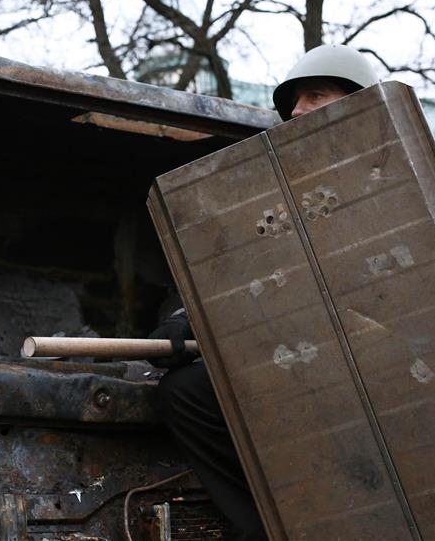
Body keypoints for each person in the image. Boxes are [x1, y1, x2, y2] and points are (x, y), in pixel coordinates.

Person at [149, 44, 379, 540]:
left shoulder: (397, 175)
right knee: (186, 393)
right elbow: (240, 268)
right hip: (297, 353)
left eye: (314, 96)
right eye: (295, 100)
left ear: (355, 103)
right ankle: (263, 527)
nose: (296, 112)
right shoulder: (281, 189)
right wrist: (189, 320)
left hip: (376, 360)